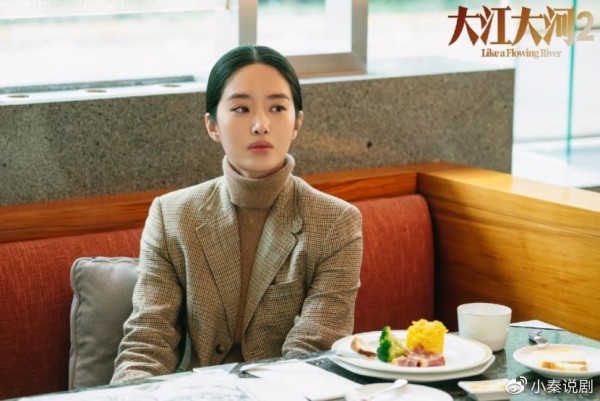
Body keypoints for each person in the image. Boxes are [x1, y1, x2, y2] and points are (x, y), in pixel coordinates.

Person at [111, 45, 363, 384]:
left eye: (277, 108)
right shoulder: (171, 216)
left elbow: (311, 353)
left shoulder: (336, 222)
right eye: (241, 109)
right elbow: (148, 341)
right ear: (212, 126)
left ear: (297, 123)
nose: (261, 125)